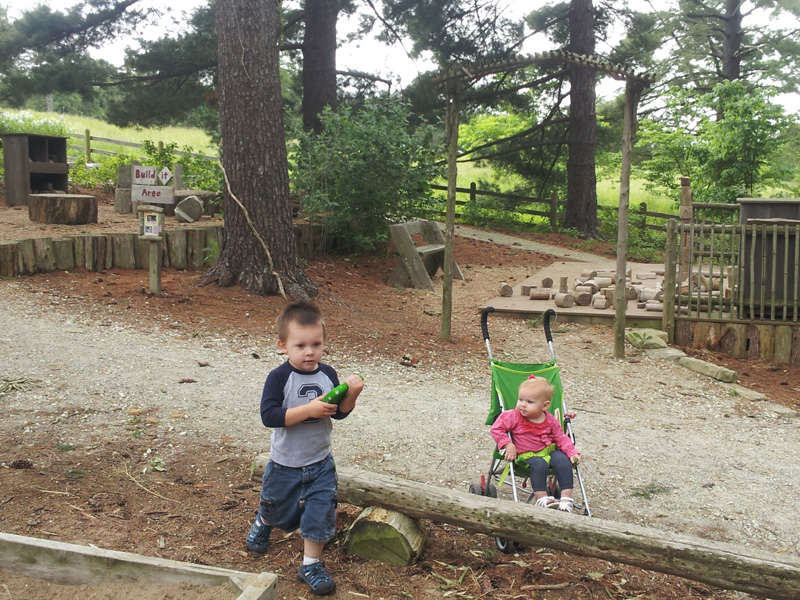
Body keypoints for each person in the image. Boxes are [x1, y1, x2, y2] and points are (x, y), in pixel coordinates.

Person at [246, 300, 364, 596]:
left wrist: (352, 395)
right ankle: (264, 521)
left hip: (320, 462)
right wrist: (308, 410)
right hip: (285, 462)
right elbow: (269, 416)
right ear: (283, 345)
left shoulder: (327, 374)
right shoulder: (279, 378)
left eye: (316, 344)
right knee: (277, 508)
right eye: (300, 345)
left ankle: (310, 564)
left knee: (320, 512)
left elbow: (339, 412)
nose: (310, 352)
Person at [490, 375, 581, 512]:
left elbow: (561, 437)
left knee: (563, 460)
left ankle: (566, 499)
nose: (523, 404)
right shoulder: (513, 416)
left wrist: (572, 452)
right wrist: (508, 444)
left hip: (548, 451)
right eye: (520, 399)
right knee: (539, 464)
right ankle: (542, 498)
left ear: (545, 405)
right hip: (527, 455)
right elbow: (496, 429)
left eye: (530, 402)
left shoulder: (549, 420)